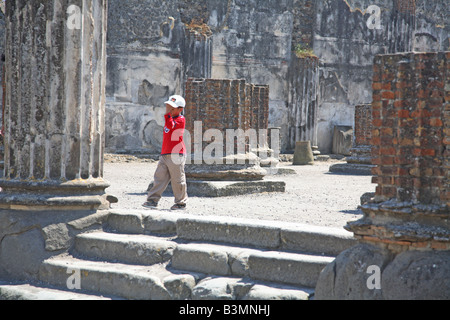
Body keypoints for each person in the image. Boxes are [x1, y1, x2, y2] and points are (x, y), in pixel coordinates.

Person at [143, 95, 188, 210]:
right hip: (165, 153)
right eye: (168, 107)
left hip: (176, 154)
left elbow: (170, 126)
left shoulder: (180, 119)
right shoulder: (170, 118)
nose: (169, 110)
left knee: (178, 180)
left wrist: (168, 114)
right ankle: (152, 200)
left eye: (172, 108)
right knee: (159, 178)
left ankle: (180, 203)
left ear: (180, 109)